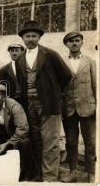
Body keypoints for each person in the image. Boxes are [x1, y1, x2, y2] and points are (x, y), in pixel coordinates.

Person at [15, 21, 72, 181]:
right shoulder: (20, 59)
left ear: (39, 37)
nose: (31, 39)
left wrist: (52, 93)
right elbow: (20, 82)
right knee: (35, 140)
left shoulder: (50, 55)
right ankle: (38, 175)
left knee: (50, 143)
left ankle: (50, 178)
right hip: (29, 106)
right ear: (23, 38)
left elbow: (65, 76)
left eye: (34, 36)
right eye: (27, 36)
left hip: (49, 105)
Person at [61, 32, 96, 183]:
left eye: (77, 40)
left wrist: (97, 106)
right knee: (71, 142)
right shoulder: (62, 62)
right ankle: (73, 172)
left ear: (81, 42)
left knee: (90, 142)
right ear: (66, 44)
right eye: (71, 41)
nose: (74, 43)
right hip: (68, 109)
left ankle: (91, 173)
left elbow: (96, 85)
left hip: (87, 108)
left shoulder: (90, 61)